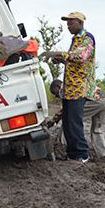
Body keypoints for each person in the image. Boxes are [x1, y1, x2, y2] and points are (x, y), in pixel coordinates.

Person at [42, 12, 97, 163]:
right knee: (67, 122)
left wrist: (59, 54)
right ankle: (72, 154)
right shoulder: (75, 39)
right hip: (70, 88)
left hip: (79, 88)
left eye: (71, 23)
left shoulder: (87, 38)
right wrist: (61, 60)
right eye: (67, 23)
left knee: (74, 123)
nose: (68, 26)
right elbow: (75, 62)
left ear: (81, 23)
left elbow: (81, 56)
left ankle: (82, 154)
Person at [47, 79, 105, 158]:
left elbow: (65, 111)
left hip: (97, 101)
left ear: (58, 87)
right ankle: (103, 153)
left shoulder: (67, 89)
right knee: (97, 128)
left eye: (56, 94)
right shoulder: (74, 84)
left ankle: (62, 147)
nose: (58, 96)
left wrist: (53, 120)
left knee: (70, 120)